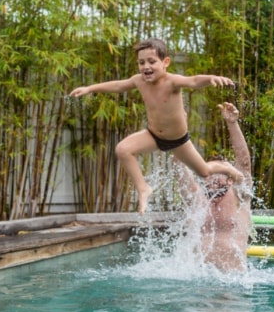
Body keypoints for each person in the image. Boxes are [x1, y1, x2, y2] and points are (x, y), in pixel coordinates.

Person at [69, 38, 243, 214]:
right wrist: (90, 88)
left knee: (204, 172)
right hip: (153, 135)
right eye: (141, 62)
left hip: (178, 141)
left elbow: (193, 80)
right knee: (123, 150)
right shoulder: (139, 81)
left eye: (152, 62)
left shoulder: (172, 81)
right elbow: (118, 85)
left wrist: (211, 78)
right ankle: (143, 188)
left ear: (165, 62)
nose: (146, 67)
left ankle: (224, 167)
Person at [174, 102, 253, 272]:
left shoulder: (240, 196)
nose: (213, 174)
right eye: (209, 171)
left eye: (220, 170)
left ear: (230, 178)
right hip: (199, 281)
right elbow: (178, 165)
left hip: (233, 282)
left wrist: (232, 124)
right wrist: (179, 129)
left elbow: (244, 163)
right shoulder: (196, 197)